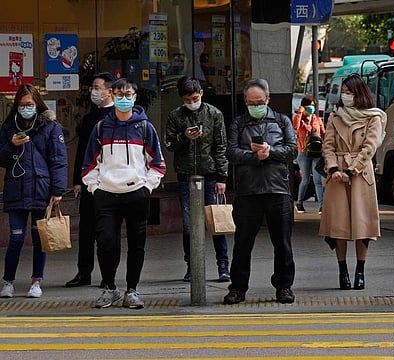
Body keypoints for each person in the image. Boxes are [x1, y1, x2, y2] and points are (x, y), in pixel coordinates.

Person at [82, 78, 166, 309]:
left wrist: (147, 186)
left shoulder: (145, 127)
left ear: (135, 97)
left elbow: (158, 164)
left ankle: (132, 290)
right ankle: (110, 288)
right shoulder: (101, 128)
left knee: (137, 244)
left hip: (136, 194)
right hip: (106, 195)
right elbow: (88, 163)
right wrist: (95, 187)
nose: (124, 99)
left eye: (128, 94)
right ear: (111, 95)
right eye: (119, 94)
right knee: (106, 242)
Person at [223, 78, 298, 305]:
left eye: (259, 101)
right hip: (248, 191)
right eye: (250, 102)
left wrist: (270, 151)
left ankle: (284, 286)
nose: (255, 105)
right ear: (245, 101)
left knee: (282, 243)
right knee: (243, 243)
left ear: (267, 99)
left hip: (278, 189)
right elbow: (232, 153)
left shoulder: (282, 121)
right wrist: (254, 156)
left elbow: (293, 149)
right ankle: (237, 287)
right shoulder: (238, 124)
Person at [319, 74, 386, 291]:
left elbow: (370, 147)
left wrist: (351, 170)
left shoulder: (373, 117)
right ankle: (342, 270)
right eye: (344, 92)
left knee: (362, 225)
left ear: (359, 93)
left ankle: (360, 271)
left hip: (360, 175)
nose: (346, 96)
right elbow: (327, 145)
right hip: (337, 174)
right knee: (338, 226)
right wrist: (334, 169)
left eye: (350, 92)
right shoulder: (334, 116)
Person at [0, 84, 68, 298]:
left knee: (40, 239)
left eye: (29, 104)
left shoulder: (50, 126)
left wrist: (58, 190)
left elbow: (58, 160)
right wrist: (11, 145)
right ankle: (8, 281)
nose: (25, 108)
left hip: (41, 188)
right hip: (16, 188)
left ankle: (36, 281)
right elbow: (1, 159)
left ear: (37, 104)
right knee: (16, 238)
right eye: (21, 105)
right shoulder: (9, 126)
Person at [165, 76, 230, 282]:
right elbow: (169, 143)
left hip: (210, 175)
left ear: (201, 93)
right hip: (186, 176)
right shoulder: (175, 115)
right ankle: (192, 265)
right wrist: (184, 136)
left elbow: (221, 146)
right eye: (187, 99)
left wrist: (222, 177)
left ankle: (223, 265)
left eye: (194, 97)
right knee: (188, 225)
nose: (192, 102)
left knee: (216, 221)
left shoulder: (214, 114)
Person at [65, 72, 121, 288]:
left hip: (110, 181)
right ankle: (84, 272)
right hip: (90, 180)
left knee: (107, 231)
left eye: (97, 88)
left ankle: (109, 276)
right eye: (93, 88)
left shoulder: (117, 116)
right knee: (86, 229)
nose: (93, 92)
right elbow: (82, 151)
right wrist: (77, 179)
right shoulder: (90, 117)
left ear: (109, 91)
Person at [292, 95, 326, 214]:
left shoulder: (317, 119)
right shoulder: (299, 118)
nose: (311, 107)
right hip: (303, 152)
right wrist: (300, 113)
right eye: (309, 105)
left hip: (316, 152)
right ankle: (300, 203)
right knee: (305, 179)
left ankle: (322, 206)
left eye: (313, 105)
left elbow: (323, 133)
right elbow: (295, 127)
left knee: (318, 180)